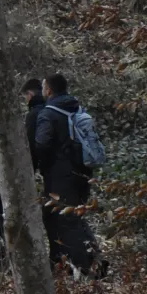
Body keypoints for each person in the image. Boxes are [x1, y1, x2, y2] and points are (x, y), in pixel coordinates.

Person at [34, 73, 104, 277]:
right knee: (77, 218)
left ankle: (86, 270)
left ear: (49, 90)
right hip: (83, 172)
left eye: (43, 87)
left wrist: (38, 162)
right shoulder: (75, 107)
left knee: (68, 221)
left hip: (60, 176)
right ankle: (90, 263)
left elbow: (42, 144)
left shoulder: (48, 113)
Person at [23, 78, 47, 172]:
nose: (26, 100)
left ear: (30, 94)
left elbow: (31, 142)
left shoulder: (33, 114)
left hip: (46, 164)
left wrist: (31, 168)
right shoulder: (51, 107)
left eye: (25, 96)